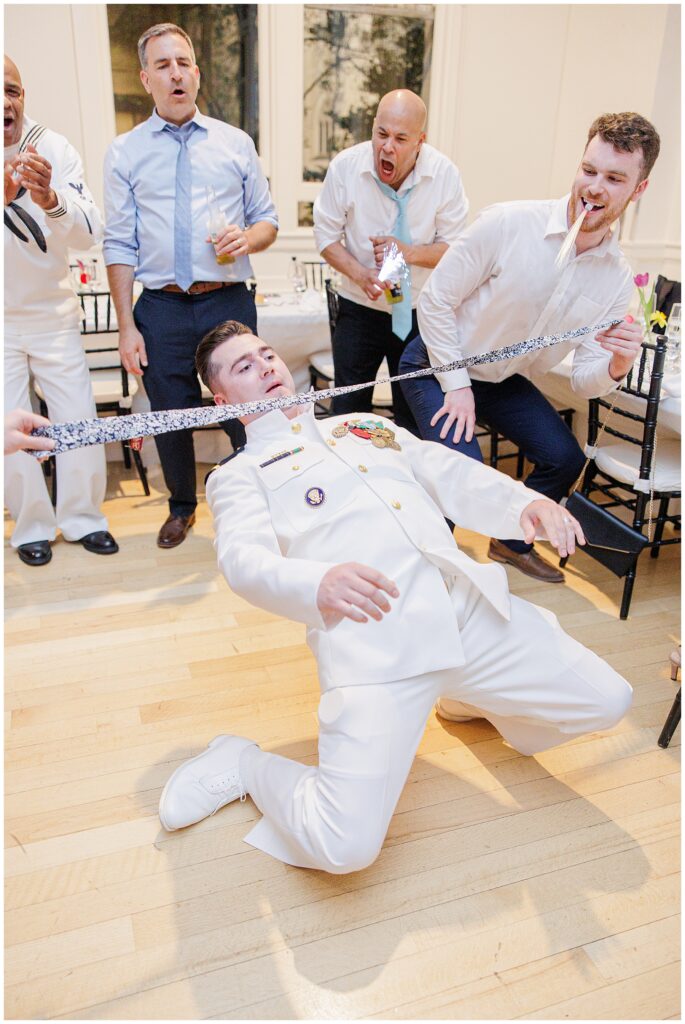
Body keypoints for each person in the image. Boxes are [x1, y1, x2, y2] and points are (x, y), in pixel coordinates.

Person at [156, 321, 632, 876]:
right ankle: (242, 763)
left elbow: (446, 471)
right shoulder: (238, 476)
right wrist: (317, 583)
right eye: (244, 367)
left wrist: (524, 505)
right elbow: (242, 561)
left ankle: (466, 697)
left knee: (609, 701)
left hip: (464, 616)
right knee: (343, 848)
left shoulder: (361, 424)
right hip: (377, 655)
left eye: (267, 355)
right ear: (224, 402)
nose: (266, 366)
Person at [399, 111, 660, 583]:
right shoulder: (507, 223)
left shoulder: (617, 279)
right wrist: (456, 386)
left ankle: (510, 542)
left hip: (501, 380)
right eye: (589, 170)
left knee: (566, 459)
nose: (594, 187)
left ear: (638, 189)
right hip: (437, 363)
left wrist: (619, 363)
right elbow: (435, 301)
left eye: (614, 178)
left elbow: (584, 381)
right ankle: (426, 570)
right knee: (463, 471)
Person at [103, 22, 278, 549]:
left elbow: (267, 222)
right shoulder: (125, 153)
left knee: (246, 408)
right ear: (146, 79)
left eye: (183, 63)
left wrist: (247, 239)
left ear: (197, 74)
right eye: (163, 65)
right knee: (169, 414)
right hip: (160, 309)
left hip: (226, 300)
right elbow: (118, 245)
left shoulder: (235, 143)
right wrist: (127, 326)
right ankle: (182, 506)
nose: (175, 74)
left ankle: (262, 497)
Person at [4, 55, 118, 568]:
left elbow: (90, 233)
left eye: (13, 89)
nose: (6, 102)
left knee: (77, 416)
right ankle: (30, 526)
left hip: (53, 314)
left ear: (24, 94)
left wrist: (49, 196)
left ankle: (84, 518)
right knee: (13, 428)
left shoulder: (53, 147)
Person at [313, 89, 468, 432]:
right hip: (357, 310)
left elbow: (456, 249)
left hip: (418, 313)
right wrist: (360, 274)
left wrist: (408, 252)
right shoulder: (345, 168)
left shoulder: (444, 176)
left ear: (420, 142)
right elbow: (325, 236)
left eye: (400, 139)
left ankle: (405, 480)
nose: (387, 147)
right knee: (348, 408)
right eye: (381, 134)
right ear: (373, 127)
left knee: (412, 408)